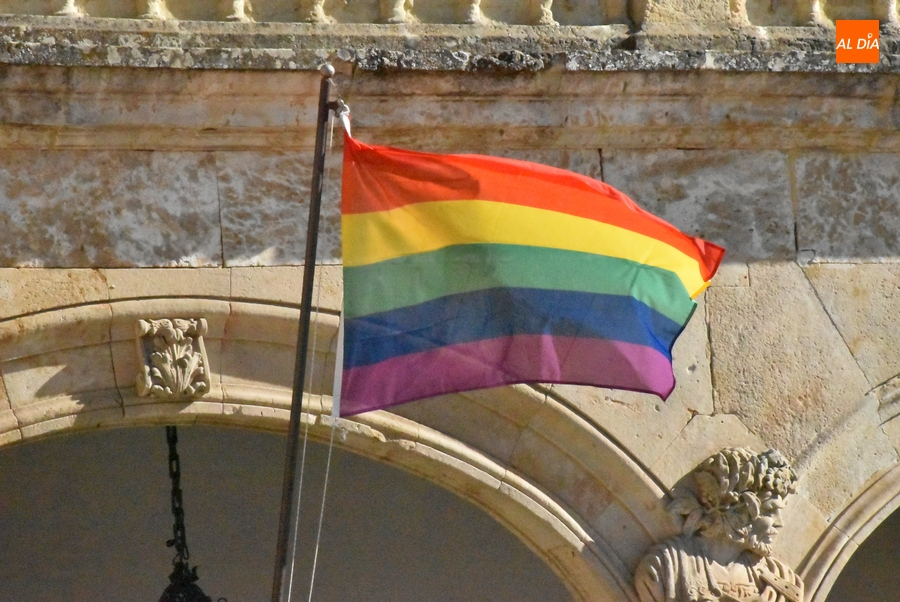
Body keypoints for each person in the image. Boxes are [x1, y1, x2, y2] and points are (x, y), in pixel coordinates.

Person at [635, 448, 803, 602]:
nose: (779, 523)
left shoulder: (782, 581)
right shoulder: (666, 567)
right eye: (770, 511)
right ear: (736, 508)